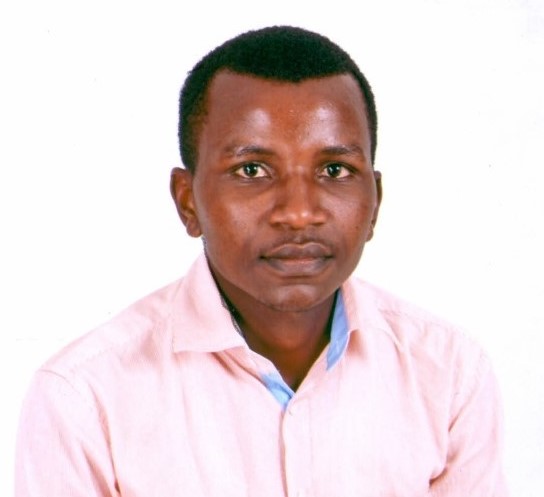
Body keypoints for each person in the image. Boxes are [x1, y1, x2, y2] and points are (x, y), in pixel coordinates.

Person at [15, 26, 507, 496]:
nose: (299, 213)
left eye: (335, 170)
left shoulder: (448, 374)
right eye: (252, 170)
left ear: (375, 201)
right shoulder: (84, 398)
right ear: (187, 202)